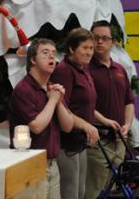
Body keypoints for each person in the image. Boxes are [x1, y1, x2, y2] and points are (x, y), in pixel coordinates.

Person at [9, 38, 73, 199]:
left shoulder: (52, 88)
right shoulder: (23, 89)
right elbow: (36, 126)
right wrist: (52, 101)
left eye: (54, 54)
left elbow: (68, 126)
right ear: (32, 59)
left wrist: (58, 102)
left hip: (52, 163)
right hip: (30, 164)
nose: (52, 57)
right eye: (45, 53)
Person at [85, 21, 135, 198]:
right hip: (98, 141)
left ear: (112, 42)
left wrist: (127, 125)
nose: (99, 42)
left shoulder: (120, 69)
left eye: (104, 38)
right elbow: (84, 105)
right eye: (95, 38)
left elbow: (129, 101)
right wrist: (104, 122)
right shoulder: (85, 69)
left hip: (120, 140)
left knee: (112, 190)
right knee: (93, 190)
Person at [50, 28, 99, 199]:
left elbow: (88, 104)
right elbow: (63, 108)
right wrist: (86, 125)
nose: (89, 52)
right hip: (66, 144)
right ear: (71, 49)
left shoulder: (83, 69)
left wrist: (104, 120)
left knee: (80, 193)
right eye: (85, 48)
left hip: (81, 141)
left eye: (91, 48)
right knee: (70, 194)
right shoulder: (64, 71)